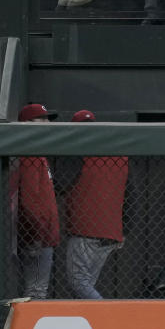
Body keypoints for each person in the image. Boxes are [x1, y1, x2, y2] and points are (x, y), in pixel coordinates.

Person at [64, 110, 129, 299]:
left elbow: (61, 183)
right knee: (86, 285)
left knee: (79, 283)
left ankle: (106, 316)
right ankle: (93, 321)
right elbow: (130, 195)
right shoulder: (118, 156)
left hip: (86, 231)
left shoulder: (76, 152)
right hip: (111, 234)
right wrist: (124, 229)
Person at [10, 103, 59, 298]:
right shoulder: (29, 154)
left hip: (41, 235)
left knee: (36, 290)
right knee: (36, 291)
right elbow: (29, 201)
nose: (47, 123)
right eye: (42, 118)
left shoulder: (38, 153)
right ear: (27, 123)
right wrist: (35, 236)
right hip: (37, 237)